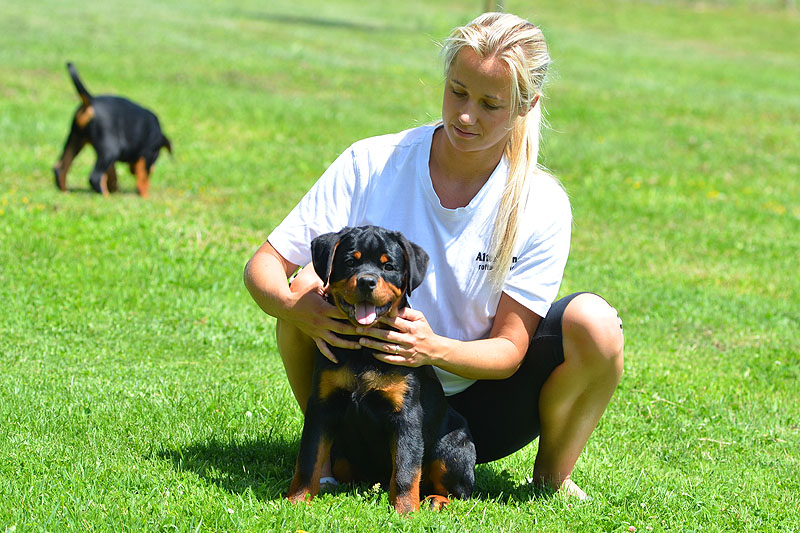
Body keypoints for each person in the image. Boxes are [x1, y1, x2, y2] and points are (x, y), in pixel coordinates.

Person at [244, 12, 624, 500]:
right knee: (297, 288)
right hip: (367, 392)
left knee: (596, 323)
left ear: (525, 105)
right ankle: (338, 455)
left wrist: (430, 348)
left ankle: (550, 478)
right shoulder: (373, 162)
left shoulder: (541, 202)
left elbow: (509, 352)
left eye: (490, 104)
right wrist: (301, 310)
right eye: (458, 91)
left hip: (477, 412)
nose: (466, 115)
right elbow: (264, 266)